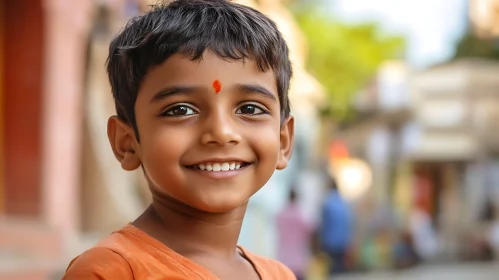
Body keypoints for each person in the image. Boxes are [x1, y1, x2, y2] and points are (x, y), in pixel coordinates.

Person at [63, 0, 295, 279]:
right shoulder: (113, 272)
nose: (221, 133)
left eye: (249, 109)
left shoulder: (279, 275)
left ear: (283, 141)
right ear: (127, 143)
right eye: (180, 110)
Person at [276, 187, 313, 280]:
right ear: (296, 198)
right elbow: (309, 230)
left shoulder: (281, 214)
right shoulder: (301, 215)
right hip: (299, 260)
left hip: (284, 259)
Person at [320, 177, 353, 275]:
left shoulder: (327, 202)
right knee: (340, 270)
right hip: (343, 242)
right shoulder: (344, 203)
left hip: (330, 242)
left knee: (331, 270)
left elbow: (324, 224)